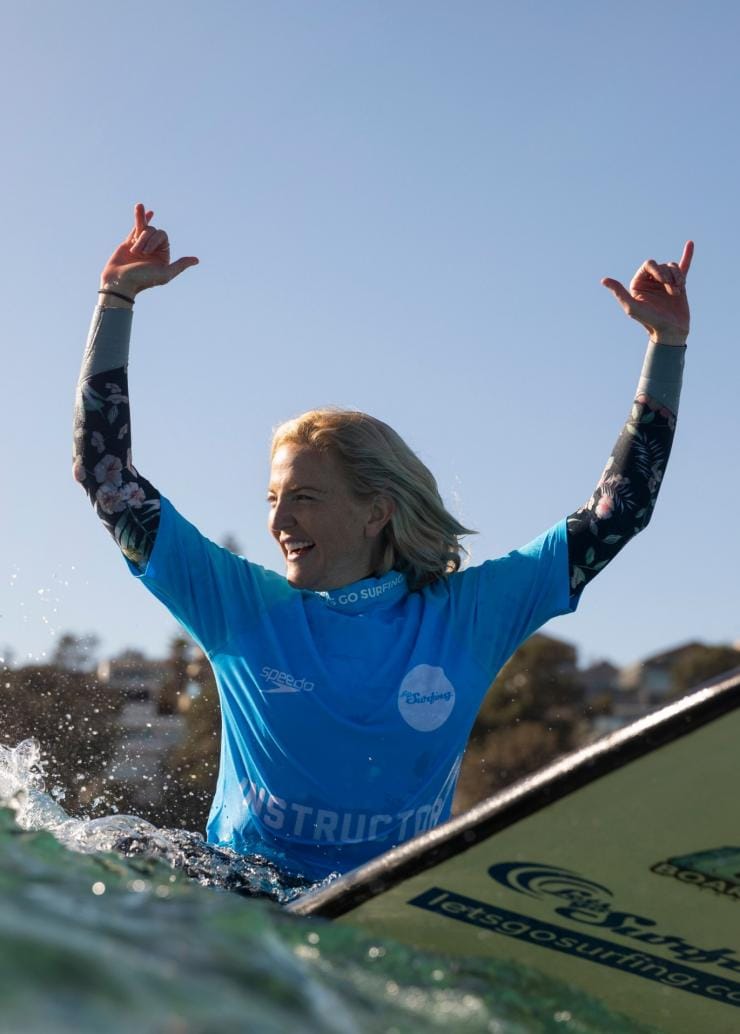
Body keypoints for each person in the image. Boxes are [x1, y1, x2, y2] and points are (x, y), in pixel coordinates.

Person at [74, 203, 692, 880]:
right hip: (237, 899)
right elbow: (106, 475)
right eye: (274, 501)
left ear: (377, 512)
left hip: (379, 913)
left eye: (304, 499)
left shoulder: (466, 616)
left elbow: (616, 513)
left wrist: (666, 349)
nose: (280, 523)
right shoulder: (242, 609)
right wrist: (117, 298)